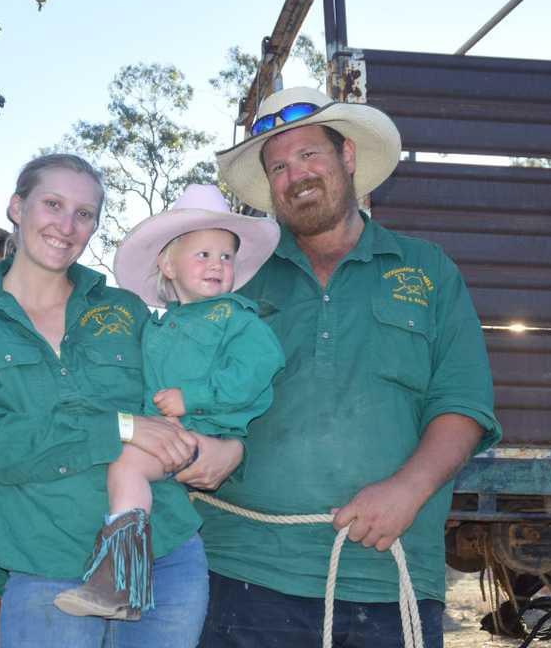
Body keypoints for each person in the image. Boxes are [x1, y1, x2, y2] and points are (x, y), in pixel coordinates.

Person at [191, 87, 503, 647]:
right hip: (241, 572)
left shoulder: (427, 270)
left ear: (348, 157)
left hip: (389, 577)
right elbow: (185, 391)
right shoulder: (236, 279)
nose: (296, 175)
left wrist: (407, 491)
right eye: (279, 166)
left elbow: (464, 403)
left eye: (310, 155)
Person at [0, 154, 211, 647]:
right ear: (17, 207)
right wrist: (122, 427)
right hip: (45, 568)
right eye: (53, 204)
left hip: (164, 563)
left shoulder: (125, 311)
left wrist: (220, 446)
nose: (67, 225)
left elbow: (181, 410)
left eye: (84, 213)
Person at [53, 183, 286, 621]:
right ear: (168, 264)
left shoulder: (236, 318)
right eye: (203, 254)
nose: (217, 265)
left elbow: (258, 371)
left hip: (207, 430)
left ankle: (120, 581)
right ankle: (125, 571)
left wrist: (192, 396)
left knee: (126, 465)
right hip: (168, 431)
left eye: (226, 256)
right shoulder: (158, 327)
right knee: (119, 462)